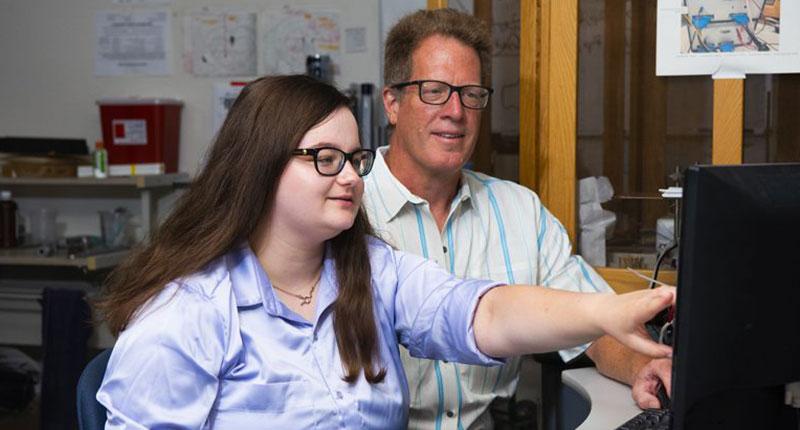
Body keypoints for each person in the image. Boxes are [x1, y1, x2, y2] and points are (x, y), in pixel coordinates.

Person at [93, 75, 673, 429]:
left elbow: (485, 314)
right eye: (325, 158)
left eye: (354, 158)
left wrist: (604, 312)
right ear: (260, 167)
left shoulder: (369, 270)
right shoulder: (188, 312)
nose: (348, 176)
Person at [364, 8, 673, 429]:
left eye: (471, 93)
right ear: (392, 103)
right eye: (434, 90)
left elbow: (595, 325)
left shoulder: (518, 211)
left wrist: (642, 367)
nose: (456, 110)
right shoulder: (345, 207)